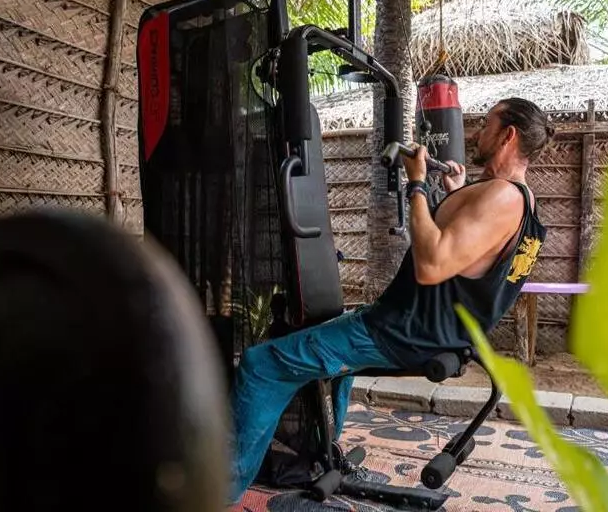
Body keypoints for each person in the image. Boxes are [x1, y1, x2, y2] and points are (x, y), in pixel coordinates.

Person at [228, 97, 552, 503]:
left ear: (508, 135)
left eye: (486, 124)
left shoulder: (501, 199)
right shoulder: (523, 200)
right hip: (428, 330)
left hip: (402, 331)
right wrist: (456, 193)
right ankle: (318, 458)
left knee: (260, 366)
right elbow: (471, 258)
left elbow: (432, 265)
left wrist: (416, 183)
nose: (475, 132)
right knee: (330, 356)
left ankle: (219, 490)